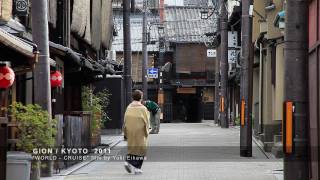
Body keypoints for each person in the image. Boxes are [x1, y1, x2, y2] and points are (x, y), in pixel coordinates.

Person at [123, 90, 150, 175]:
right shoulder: (143, 108)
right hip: (140, 131)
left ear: (133, 97)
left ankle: (128, 161)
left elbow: (125, 120)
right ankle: (137, 168)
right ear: (141, 98)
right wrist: (147, 131)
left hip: (130, 130)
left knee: (132, 148)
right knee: (141, 149)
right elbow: (146, 121)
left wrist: (125, 132)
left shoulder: (129, 107)